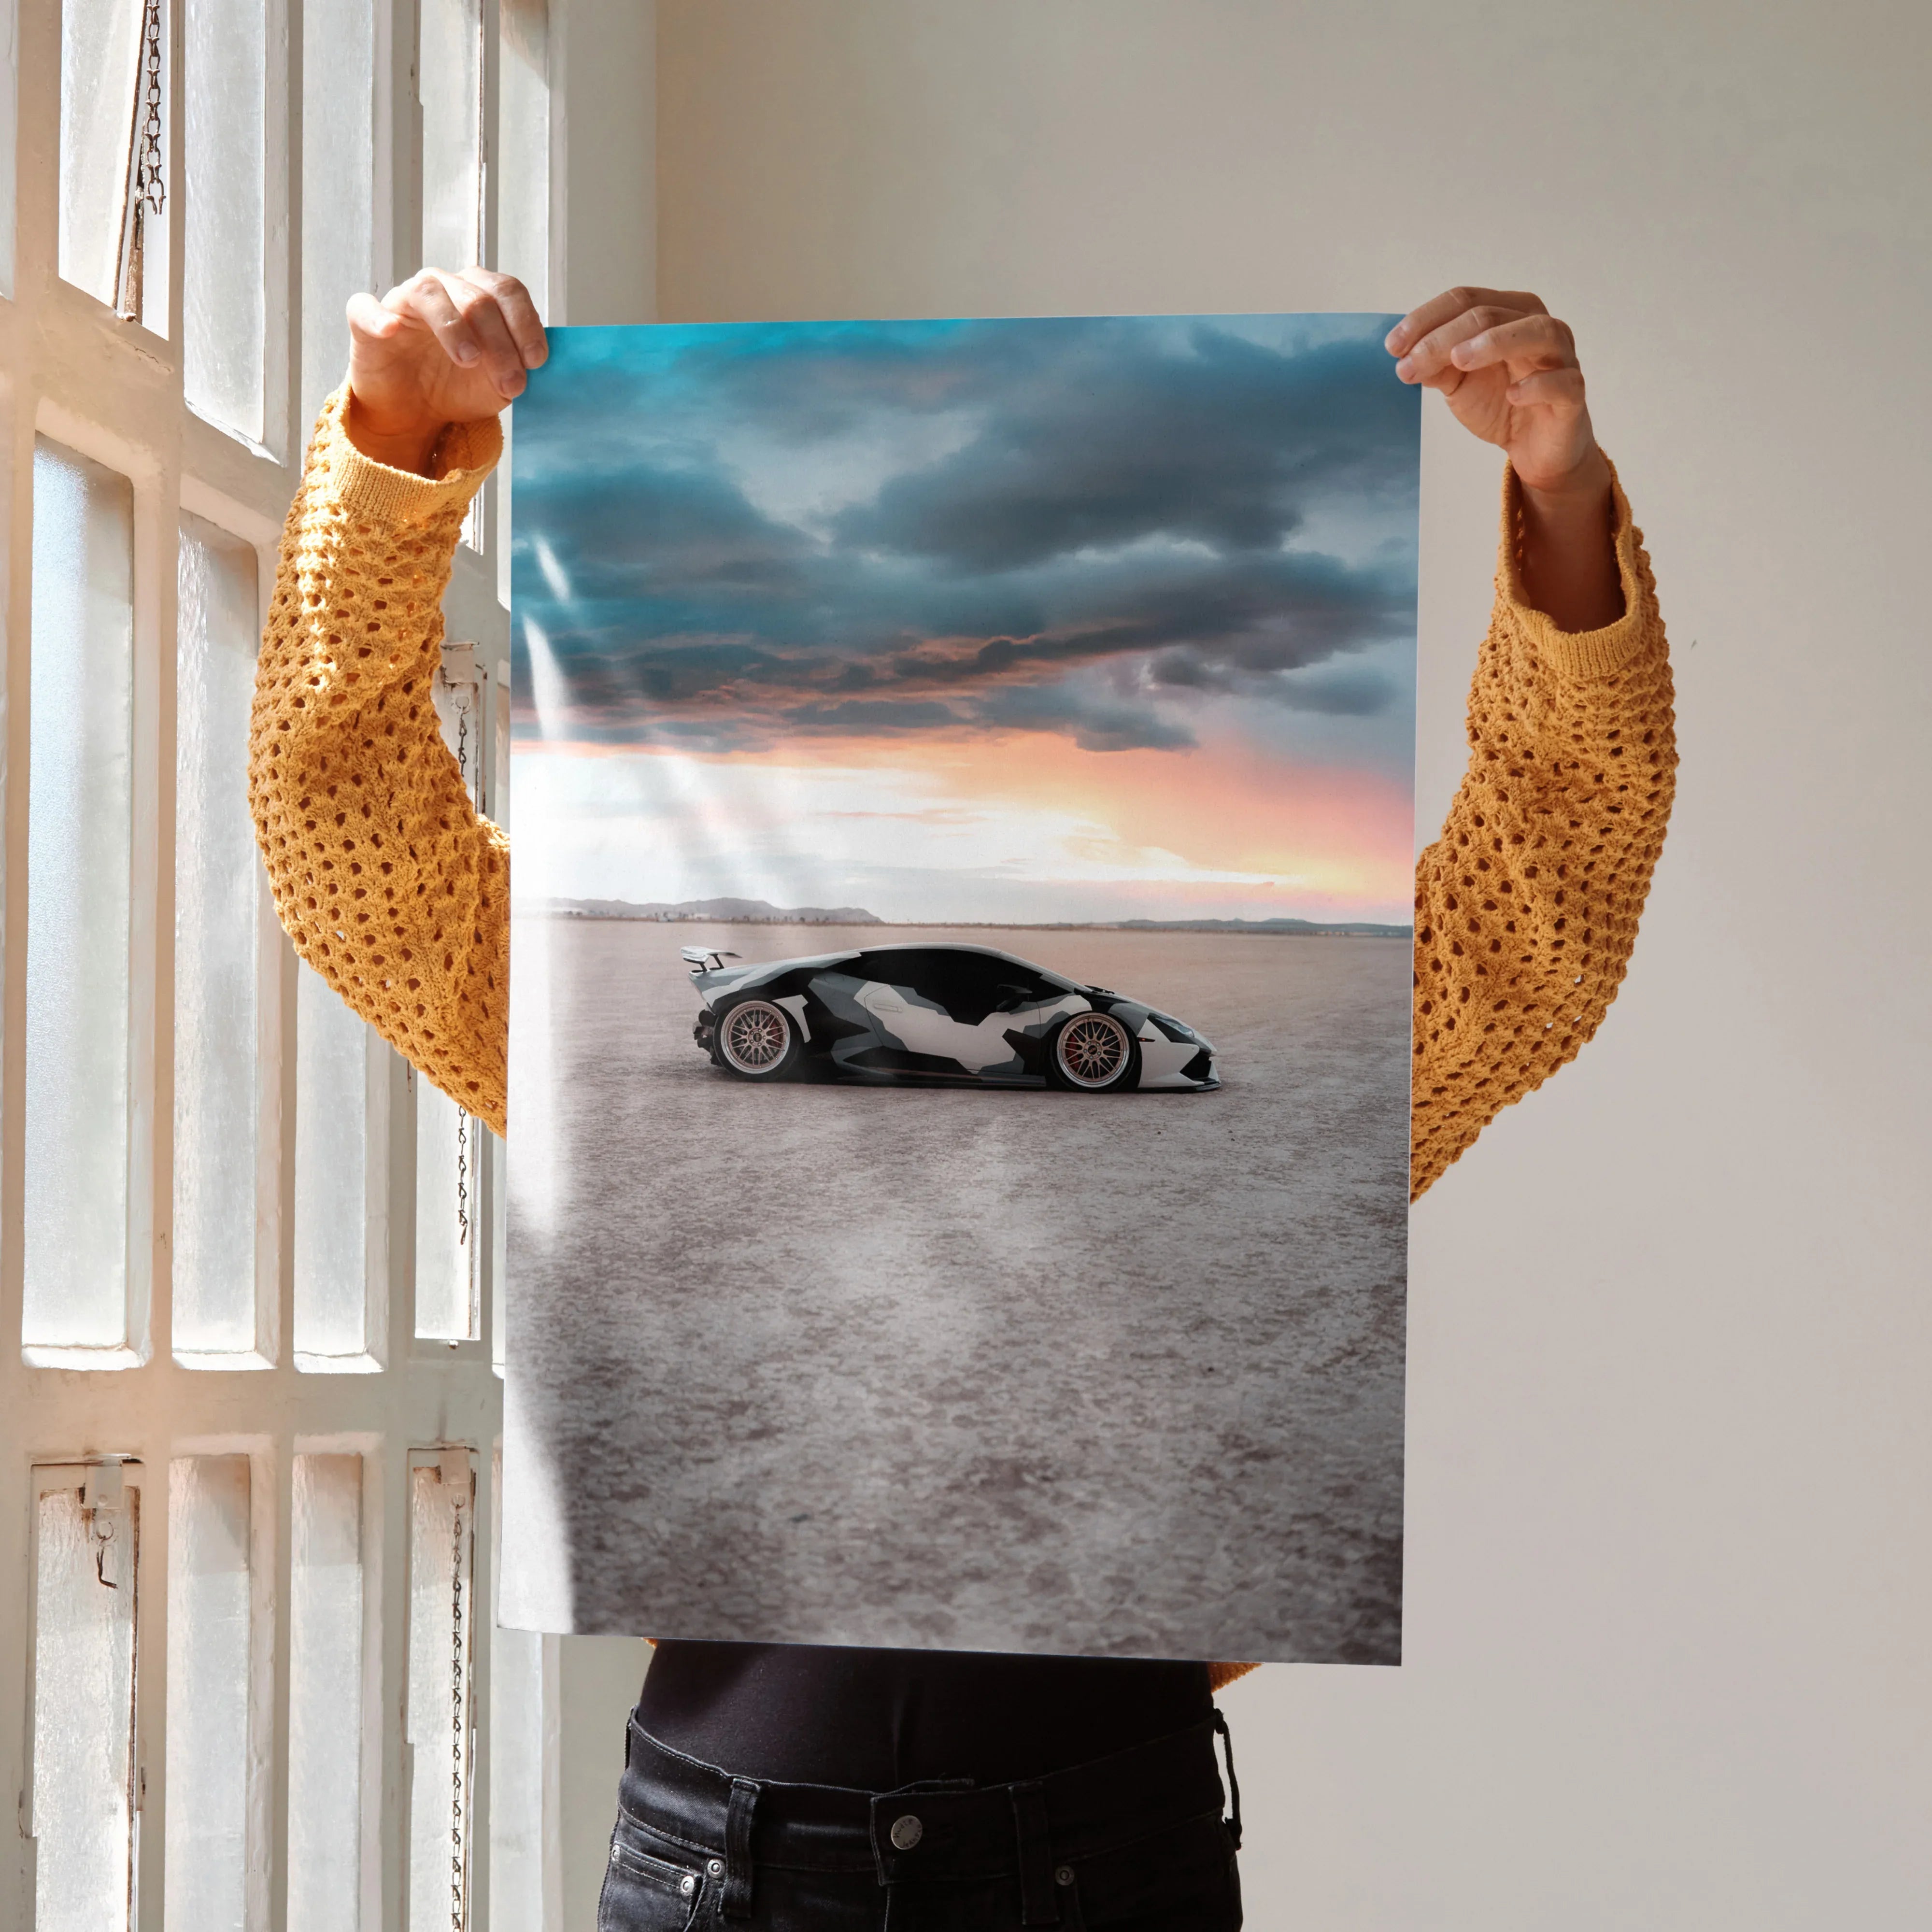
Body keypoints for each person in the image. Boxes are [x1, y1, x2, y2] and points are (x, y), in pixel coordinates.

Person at [250, 268, 1675, 1929]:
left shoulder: (1214, 1079)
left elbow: (1544, 912)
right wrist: (392, 447)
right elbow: (348, 845)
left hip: (1104, 1850)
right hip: (729, 1862)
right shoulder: (621, 1049)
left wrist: (1561, 499)